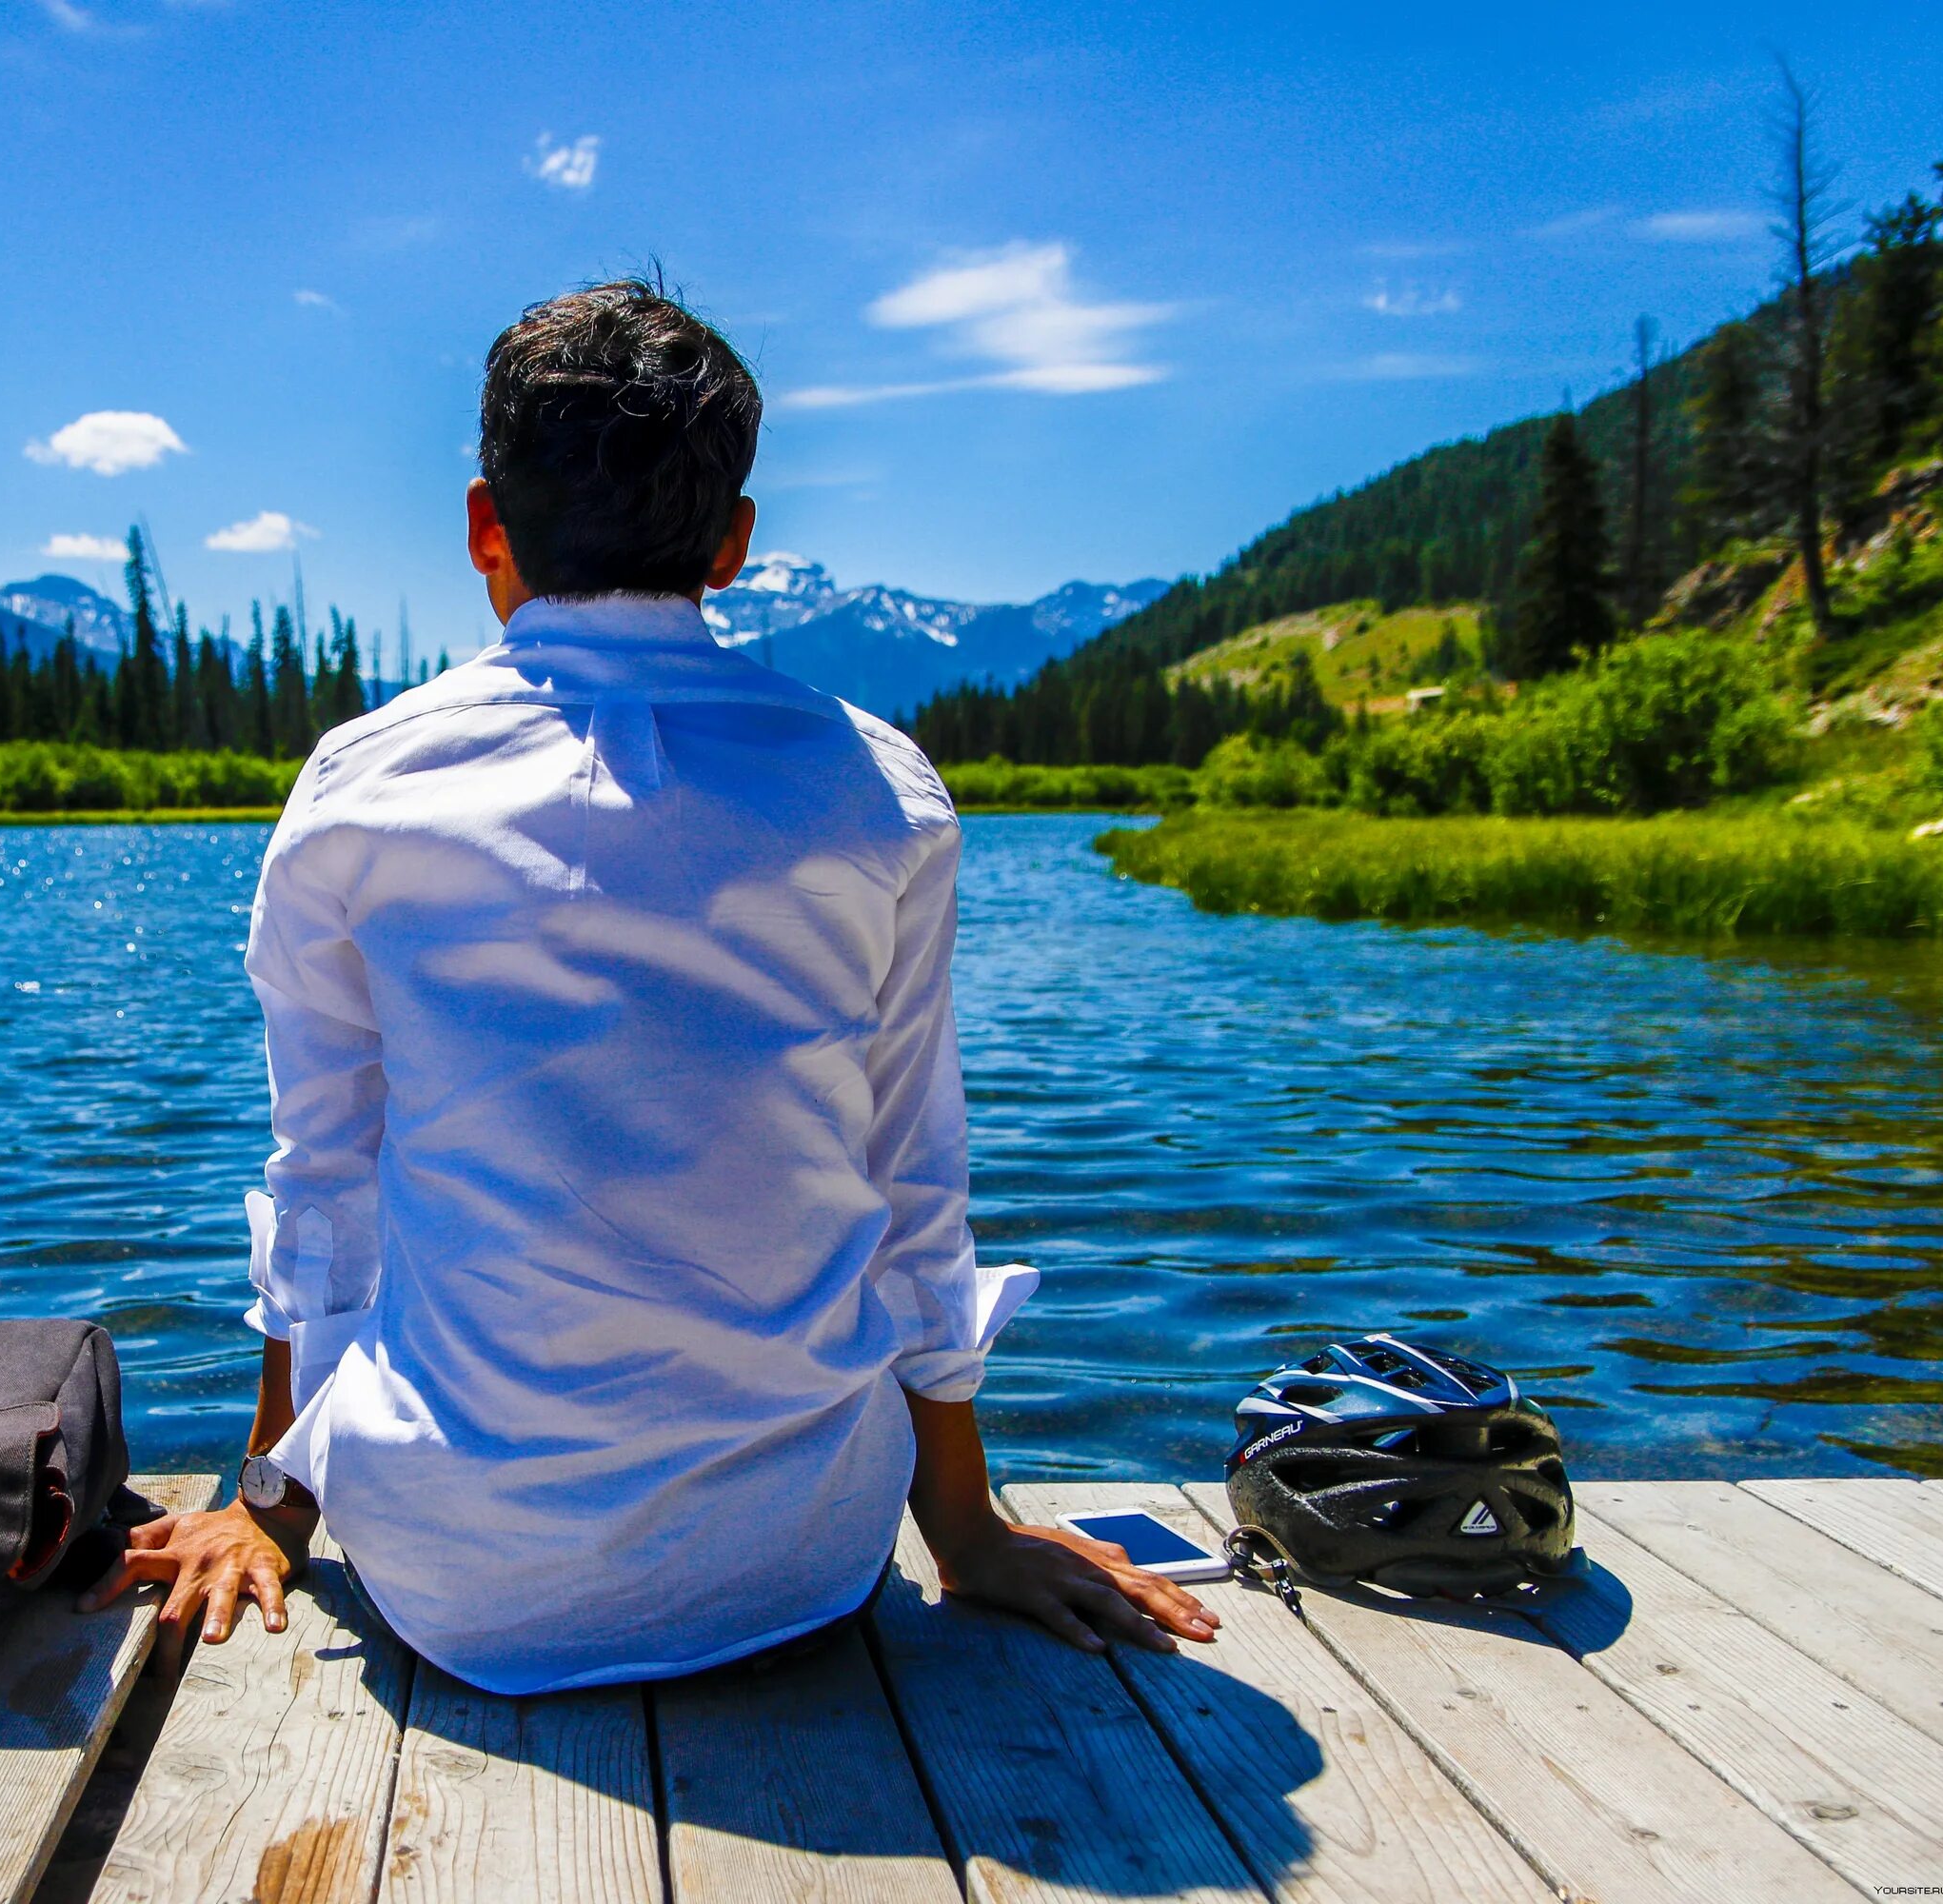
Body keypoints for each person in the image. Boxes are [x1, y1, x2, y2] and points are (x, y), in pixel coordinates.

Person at [83, 280, 1219, 1691]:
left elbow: (329, 1181)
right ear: (733, 544)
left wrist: (269, 1510)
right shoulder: (879, 790)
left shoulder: (357, 789)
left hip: (461, 1584)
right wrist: (966, 1526)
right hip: (806, 1563)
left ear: (485, 524)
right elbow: (915, 1190)